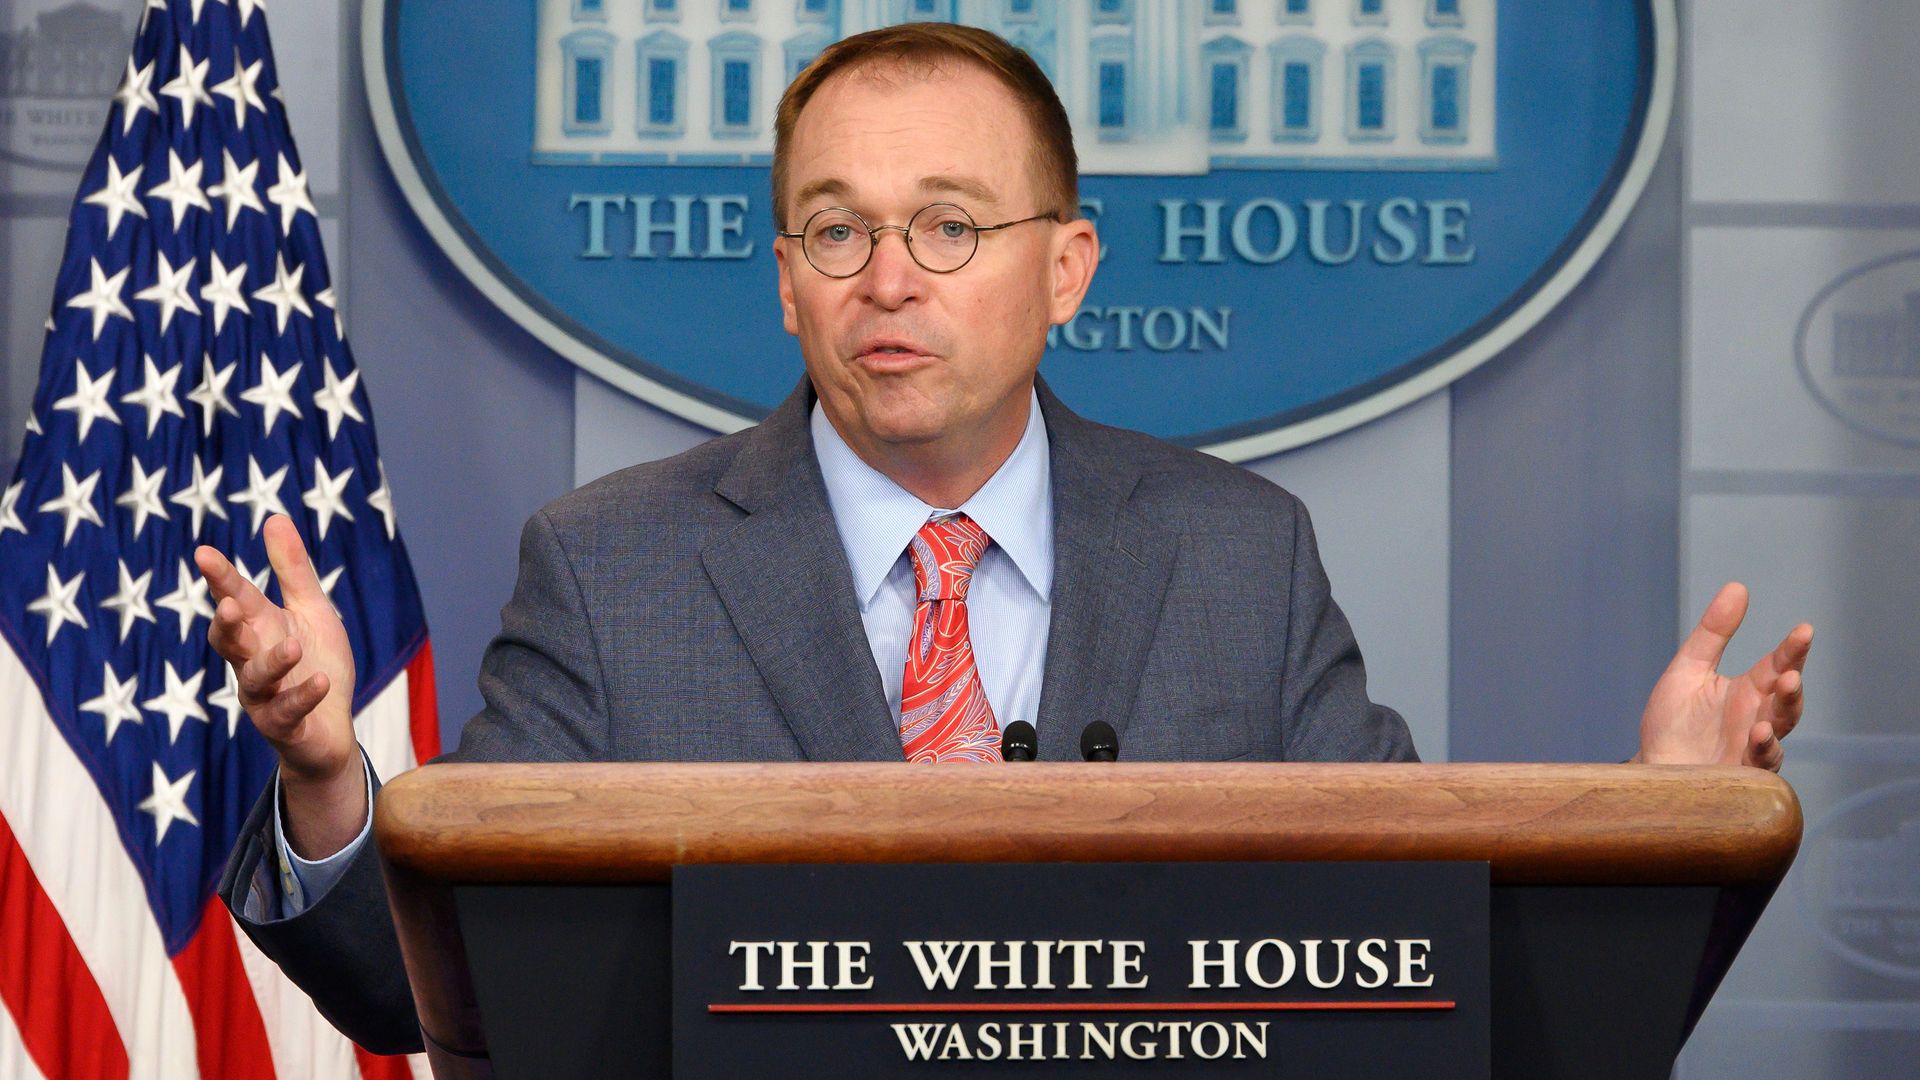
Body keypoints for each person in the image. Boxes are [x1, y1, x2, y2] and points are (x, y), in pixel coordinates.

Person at [195, 23, 1811, 1055]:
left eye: (950, 226)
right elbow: (438, 993)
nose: (886, 277)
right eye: (836, 229)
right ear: (784, 280)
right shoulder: (611, 567)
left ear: (1069, 267)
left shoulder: (1237, 557)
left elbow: (1413, 971)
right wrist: (335, 778)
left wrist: (1663, 824)